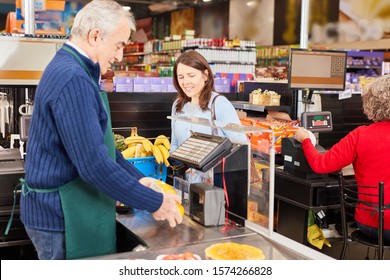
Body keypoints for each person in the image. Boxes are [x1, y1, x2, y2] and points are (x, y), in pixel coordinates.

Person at [20, 0, 182, 260]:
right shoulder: (74, 79)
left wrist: (139, 179)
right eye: (118, 45)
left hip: (65, 211)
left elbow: (102, 147)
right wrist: (155, 202)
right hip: (62, 217)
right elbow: (94, 166)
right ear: (95, 36)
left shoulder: (75, 69)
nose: (119, 56)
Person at [294, 74, 390, 243]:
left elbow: (320, 164)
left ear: (370, 103)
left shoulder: (360, 135)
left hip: (370, 224)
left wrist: (306, 140)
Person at [170, 50, 248, 183]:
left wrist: (206, 170)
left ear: (205, 75)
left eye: (191, 75)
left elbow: (241, 146)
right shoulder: (178, 105)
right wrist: (181, 166)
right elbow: (175, 144)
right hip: (186, 183)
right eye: (181, 77)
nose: (186, 82)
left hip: (214, 184)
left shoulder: (219, 104)